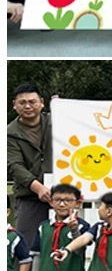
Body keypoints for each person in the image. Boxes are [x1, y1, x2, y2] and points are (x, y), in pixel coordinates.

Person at [29, 183, 89, 271]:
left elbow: (81, 250)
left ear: (77, 203)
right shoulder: (43, 227)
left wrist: (74, 230)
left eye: (68, 200)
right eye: (58, 200)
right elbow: (37, 255)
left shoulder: (82, 226)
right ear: (50, 202)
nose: (62, 204)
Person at [7, 84, 53, 249]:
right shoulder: (9, 133)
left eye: (32, 102)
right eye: (22, 102)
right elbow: (14, 166)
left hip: (62, 194)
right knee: (25, 248)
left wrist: (65, 109)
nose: (28, 106)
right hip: (29, 197)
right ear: (14, 104)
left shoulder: (55, 122)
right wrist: (38, 188)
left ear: (41, 102)